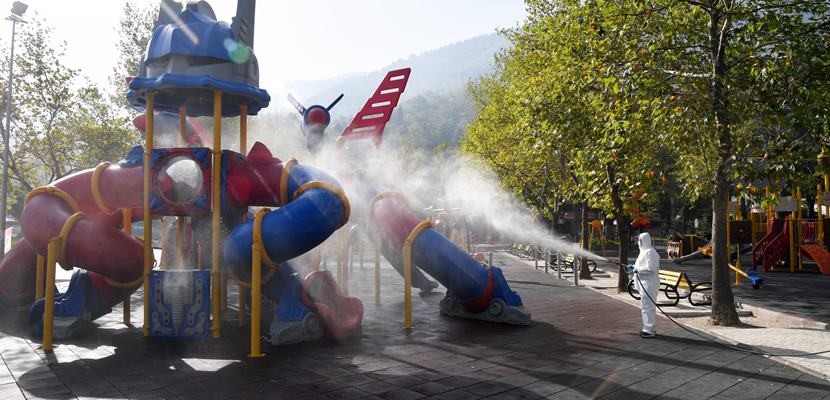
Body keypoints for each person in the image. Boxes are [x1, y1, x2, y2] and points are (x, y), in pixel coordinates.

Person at [627, 232, 660, 338]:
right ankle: (648, 328)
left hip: (649, 284)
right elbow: (641, 266)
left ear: (643, 241)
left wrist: (638, 269)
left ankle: (649, 330)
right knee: (646, 307)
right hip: (644, 283)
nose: (638, 242)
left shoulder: (650, 252)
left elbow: (651, 268)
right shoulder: (644, 252)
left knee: (648, 307)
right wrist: (634, 267)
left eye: (639, 240)